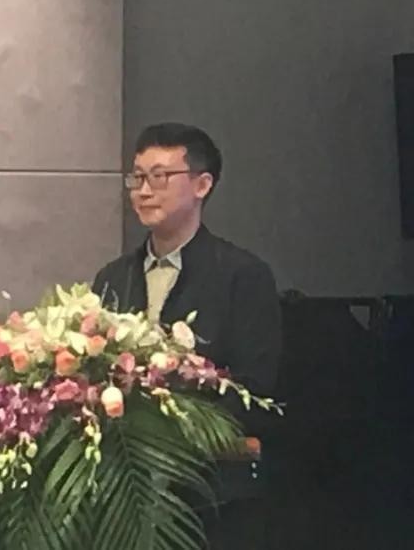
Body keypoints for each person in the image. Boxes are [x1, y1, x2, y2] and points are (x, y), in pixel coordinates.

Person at [92, 122, 282, 548]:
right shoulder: (113, 278)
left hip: (211, 497)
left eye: (159, 177)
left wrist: (169, 426)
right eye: (137, 178)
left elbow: (255, 391)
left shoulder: (241, 275)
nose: (144, 191)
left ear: (202, 184)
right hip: (124, 494)